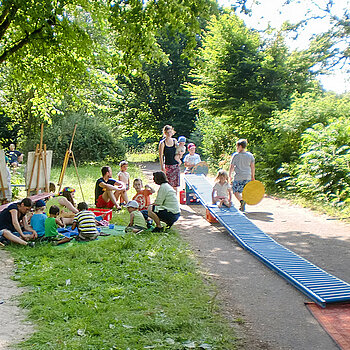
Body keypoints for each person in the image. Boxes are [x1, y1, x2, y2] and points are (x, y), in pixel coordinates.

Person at [228, 139, 255, 212]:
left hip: (238, 177)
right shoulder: (250, 155)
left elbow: (232, 166)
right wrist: (253, 176)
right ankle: (243, 202)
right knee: (245, 191)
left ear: (240, 146)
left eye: (237, 146)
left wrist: (229, 175)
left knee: (235, 191)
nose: (236, 148)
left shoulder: (235, 155)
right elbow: (252, 167)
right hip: (247, 176)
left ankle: (241, 201)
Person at [158, 125, 180, 191]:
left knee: (175, 186)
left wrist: (179, 159)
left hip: (175, 165)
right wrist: (162, 167)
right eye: (168, 132)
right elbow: (161, 156)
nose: (169, 134)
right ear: (165, 133)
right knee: (168, 185)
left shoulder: (175, 141)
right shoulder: (162, 143)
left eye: (170, 132)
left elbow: (179, 151)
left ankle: (175, 200)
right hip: (168, 165)